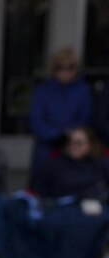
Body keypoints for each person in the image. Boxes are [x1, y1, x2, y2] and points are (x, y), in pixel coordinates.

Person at [29, 47, 93, 191]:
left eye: (70, 67)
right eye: (60, 67)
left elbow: (86, 117)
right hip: (46, 145)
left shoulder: (82, 90)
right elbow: (36, 120)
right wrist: (57, 134)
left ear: (76, 69)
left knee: (73, 185)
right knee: (42, 185)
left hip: (72, 144)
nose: (65, 71)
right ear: (53, 69)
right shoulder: (42, 90)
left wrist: (70, 134)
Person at [37, 126, 109, 200]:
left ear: (90, 144)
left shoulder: (101, 165)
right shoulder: (54, 165)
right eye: (70, 141)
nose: (73, 146)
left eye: (79, 143)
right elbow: (41, 192)